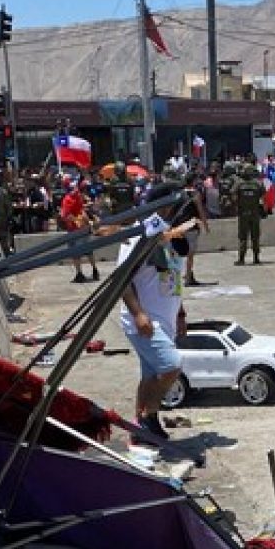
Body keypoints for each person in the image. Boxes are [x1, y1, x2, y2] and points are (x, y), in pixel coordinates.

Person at [117, 182, 197, 444]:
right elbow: (123, 280)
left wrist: (181, 313)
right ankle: (147, 418)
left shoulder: (170, 235)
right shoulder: (140, 236)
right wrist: (139, 314)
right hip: (144, 321)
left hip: (165, 319)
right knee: (172, 366)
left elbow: (173, 277)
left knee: (151, 375)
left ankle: (140, 431)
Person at [59, 182, 99, 283]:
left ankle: (79, 274)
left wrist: (78, 221)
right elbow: (81, 211)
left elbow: (66, 215)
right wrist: (85, 222)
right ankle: (95, 271)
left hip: (74, 230)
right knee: (88, 251)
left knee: (75, 253)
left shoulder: (68, 199)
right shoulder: (78, 197)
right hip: (83, 228)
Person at [232, 161, 265, 266]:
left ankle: (241, 259)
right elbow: (263, 195)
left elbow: (233, 196)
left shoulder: (239, 183)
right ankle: (256, 258)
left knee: (243, 237)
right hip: (255, 214)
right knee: (255, 236)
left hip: (243, 214)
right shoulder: (258, 183)